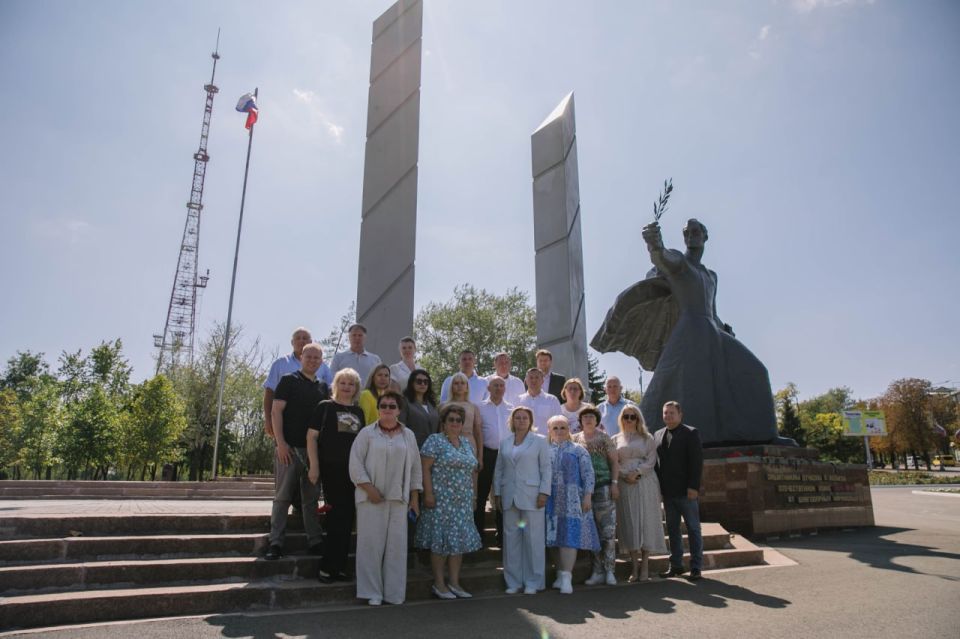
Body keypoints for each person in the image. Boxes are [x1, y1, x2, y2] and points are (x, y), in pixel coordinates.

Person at [593, 219, 782, 445]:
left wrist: (724, 329)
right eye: (686, 232)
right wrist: (655, 245)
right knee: (681, 384)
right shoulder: (680, 263)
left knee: (756, 371)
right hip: (688, 332)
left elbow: (711, 310)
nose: (690, 236)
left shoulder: (711, 276)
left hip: (712, 332)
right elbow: (663, 257)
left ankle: (763, 435)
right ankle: (642, 437)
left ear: (705, 236)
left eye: (695, 232)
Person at [349, 391, 423, 605]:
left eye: (392, 406)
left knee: (396, 549)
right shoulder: (366, 433)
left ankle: (393, 594)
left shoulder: (408, 435)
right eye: (384, 406)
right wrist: (368, 488)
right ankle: (372, 592)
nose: (388, 409)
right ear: (378, 409)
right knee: (370, 547)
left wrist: (415, 498)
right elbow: (355, 464)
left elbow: (416, 468)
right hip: (371, 498)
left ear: (399, 410)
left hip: (399, 499)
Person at [265, 343, 329, 560]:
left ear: (321, 361)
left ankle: (315, 540)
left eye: (316, 358)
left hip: (313, 452)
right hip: (289, 449)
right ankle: (275, 543)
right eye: (308, 357)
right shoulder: (288, 380)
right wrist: (280, 443)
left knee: (310, 499)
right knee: (282, 497)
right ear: (301, 358)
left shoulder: (323, 387)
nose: (312, 360)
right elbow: (276, 412)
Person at [415, 404, 482, 599]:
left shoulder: (466, 443)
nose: (455, 423)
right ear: (443, 423)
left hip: (462, 502)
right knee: (440, 542)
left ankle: (454, 582)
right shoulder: (434, 441)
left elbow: (472, 472)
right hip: (440, 500)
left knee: (457, 543)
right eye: (451, 420)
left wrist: (474, 496)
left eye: (458, 420)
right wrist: (428, 494)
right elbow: (425, 469)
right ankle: (439, 583)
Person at [306, 367, 365, 583]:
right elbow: (311, 437)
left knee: (348, 518)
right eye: (343, 383)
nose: (347, 387)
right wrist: (314, 466)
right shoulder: (325, 407)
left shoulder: (358, 412)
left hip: (354, 472)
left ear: (356, 388)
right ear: (336, 385)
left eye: (351, 384)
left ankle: (339, 567)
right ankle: (326, 567)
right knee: (335, 517)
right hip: (331, 470)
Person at [493, 406, 551, 594]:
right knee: (511, 540)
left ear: (530, 421)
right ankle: (514, 581)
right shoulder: (505, 442)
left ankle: (534, 582)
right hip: (509, 495)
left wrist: (544, 492)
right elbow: (499, 470)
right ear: (512, 420)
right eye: (517, 417)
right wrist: (497, 494)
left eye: (525, 418)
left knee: (533, 539)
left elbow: (546, 469)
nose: (521, 420)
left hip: (532, 496)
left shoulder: (540, 441)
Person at [545, 415, 600, 594]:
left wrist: (587, 496)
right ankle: (560, 574)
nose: (559, 431)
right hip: (550, 498)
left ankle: (567, 576)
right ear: (549, 431)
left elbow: (588, 474)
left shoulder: (578, 450)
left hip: (572, 498)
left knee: (569, 536)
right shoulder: (544, 450)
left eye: (563, 427)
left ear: (569, 429)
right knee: (552, 536)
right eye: (555, 428)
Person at [613, 403, 668, 582]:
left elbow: (652, 460)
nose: (629, 420)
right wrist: (624, 474)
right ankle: (634, 567)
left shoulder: (647, 438)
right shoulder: (616, 439)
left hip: (645, 482)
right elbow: (614, 462)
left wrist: (637, 472)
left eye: (633, 416)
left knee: (645, 521)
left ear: (638, 419)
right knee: (630, 522)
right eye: (626, 417)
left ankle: (645, 565)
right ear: (621, 419)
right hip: (625, 483)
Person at [655, 401, 704, 581]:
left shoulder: (690, 433)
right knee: (673, 530)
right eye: (665, 413)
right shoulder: (658, 434)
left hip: (686, 492)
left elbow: (696, 462)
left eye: (672, 413)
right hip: (668, 493)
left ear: (680, 414)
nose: (668, 416)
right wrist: (659, 489)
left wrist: (694, 487)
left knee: (693, 529)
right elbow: (658, 465)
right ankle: (676, 565)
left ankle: (696, 567)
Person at [573, 406, 620, 586]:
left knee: (607, 531)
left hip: (603, 487)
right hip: (584, 491)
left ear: (597, 419)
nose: (588, 419)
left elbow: (614, 463)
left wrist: (614, 484)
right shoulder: (575, 439)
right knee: (591, 532)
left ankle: (610, 570)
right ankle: (597, 570)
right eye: (585, 417)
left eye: (591, 416)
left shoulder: (604, 438)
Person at [475, 376, 512, 542]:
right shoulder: (479, 408)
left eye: (501, 386)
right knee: (482, 495)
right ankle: (478, 536)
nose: (498, 388)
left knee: (502, 496)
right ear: (488, 388)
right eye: (495, 385)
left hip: (506, 456)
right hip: (486, 454)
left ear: (505, 389)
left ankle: (503, 536)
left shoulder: (512, 409)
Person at [440, 372, 484, 464]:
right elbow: (440, 430)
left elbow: (478, 433)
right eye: (456, 383)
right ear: (451, 386)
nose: (459, 386)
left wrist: (480, 457)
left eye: (462, 383)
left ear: (467, 387)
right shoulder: (443, 406)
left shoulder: (473, 407)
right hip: (447, 445)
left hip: (470, 445)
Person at [331, 323, 382, 388]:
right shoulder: (339, 358)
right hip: (346, 396)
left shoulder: (375, 359)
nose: (357, 338)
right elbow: (333, 380)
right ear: (349, 337)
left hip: (368, 396)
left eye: (360, 335)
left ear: (365, 337)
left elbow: (380, 381)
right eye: (354, 335)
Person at [399, 368, 439, 448]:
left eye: (426, 382)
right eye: (419, 381)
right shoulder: (404, 402)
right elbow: (401, 426)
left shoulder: (432, 404)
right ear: (412, 383)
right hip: (413, 447)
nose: (423, 384)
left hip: (433, 449)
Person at [518, 368, 562, 432]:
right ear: (526, 381)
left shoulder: (552, 400)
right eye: (531, 378)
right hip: (524, 440)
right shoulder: (518, 400)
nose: (534, 380)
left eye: (537, 377)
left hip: (545, 440)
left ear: (542, 381)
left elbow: (558, 422)